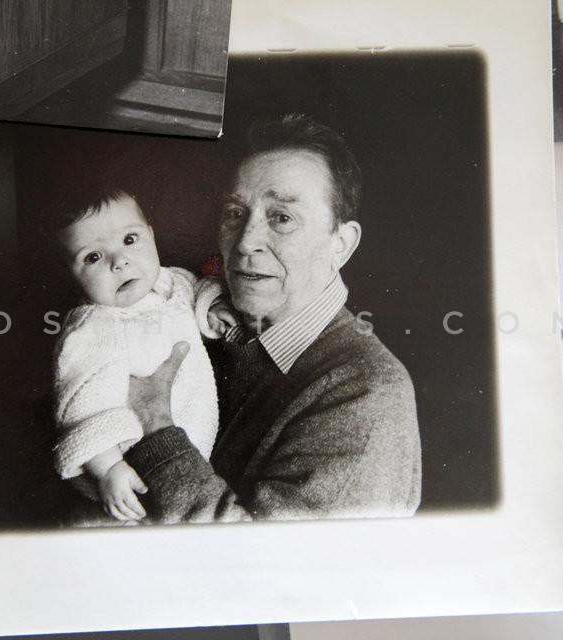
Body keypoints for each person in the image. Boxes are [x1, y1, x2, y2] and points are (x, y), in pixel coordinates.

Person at [122, 114, 422, 523]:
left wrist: (156, 427)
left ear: (341, 244)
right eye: (234, 213)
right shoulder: (201, 323)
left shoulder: (368, 393)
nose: (246, 242)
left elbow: (266, 558)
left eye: (282, 217)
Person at [51, 190, 233, 522]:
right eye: (93, 257)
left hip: (186, 464)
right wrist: (109, 468)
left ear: (151, 234)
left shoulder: (171, 283)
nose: (119, 262)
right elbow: (80, 409)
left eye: (130, 240)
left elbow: (197, 290)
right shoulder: (93, 328)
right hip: (129, 478)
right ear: (70, 275)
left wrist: (212, 307)